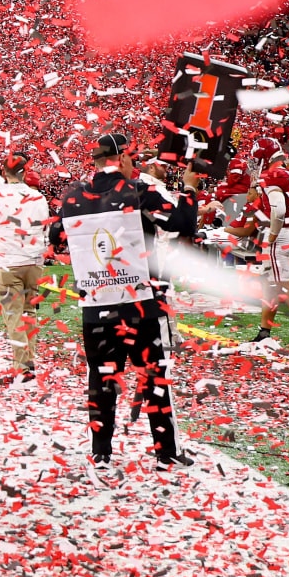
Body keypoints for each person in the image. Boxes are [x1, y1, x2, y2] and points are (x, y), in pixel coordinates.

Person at [52, 131, 197, 477]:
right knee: (153, 377)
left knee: (101, 380)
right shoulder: (138, 191)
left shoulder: (73, 197)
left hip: (97, 302)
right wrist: (189, 190)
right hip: (139, 304)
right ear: (125, 159)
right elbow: (182, 223)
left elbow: (57, 241)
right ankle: (165, 453)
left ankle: (101, 453)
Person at [227, 137, 289, 354]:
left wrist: (274, 233)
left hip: (279, 237)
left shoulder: (270, 176)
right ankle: (264, 332)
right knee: (271, 286)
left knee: (284, 287)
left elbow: (279, 210)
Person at [0, 153, 53, 384]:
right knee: (29, 313)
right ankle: (28, 361)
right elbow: (45, 229)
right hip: (34, 261)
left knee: (14, 316)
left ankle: (23, 368)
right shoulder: (38, 197)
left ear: (3, 172)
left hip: (10, 262)